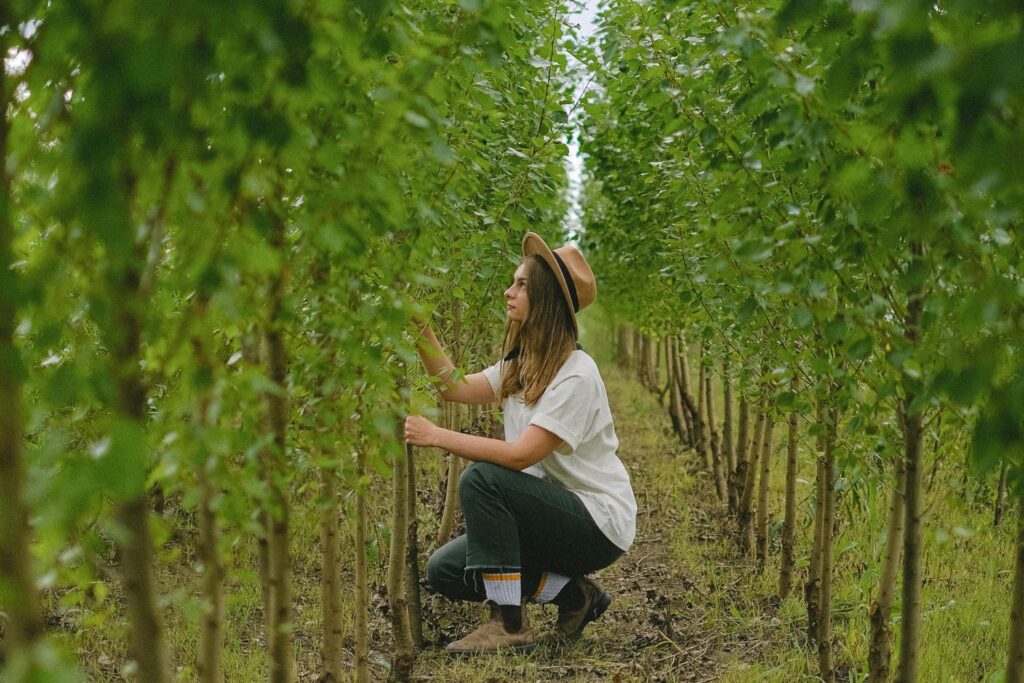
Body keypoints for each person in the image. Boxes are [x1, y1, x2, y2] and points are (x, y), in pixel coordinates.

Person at [404, 232, 637, 654]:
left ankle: (507, 624)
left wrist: (437, 437)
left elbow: (521, 455)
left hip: (596, 522)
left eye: (521, 285)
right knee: (447, 570)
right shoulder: (522, 364)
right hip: (548, 509)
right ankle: (574, 596)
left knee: (482, 479)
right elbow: (452, 386)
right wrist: (418, 323)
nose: (508, 292)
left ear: (545, 299)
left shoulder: (576, 375)